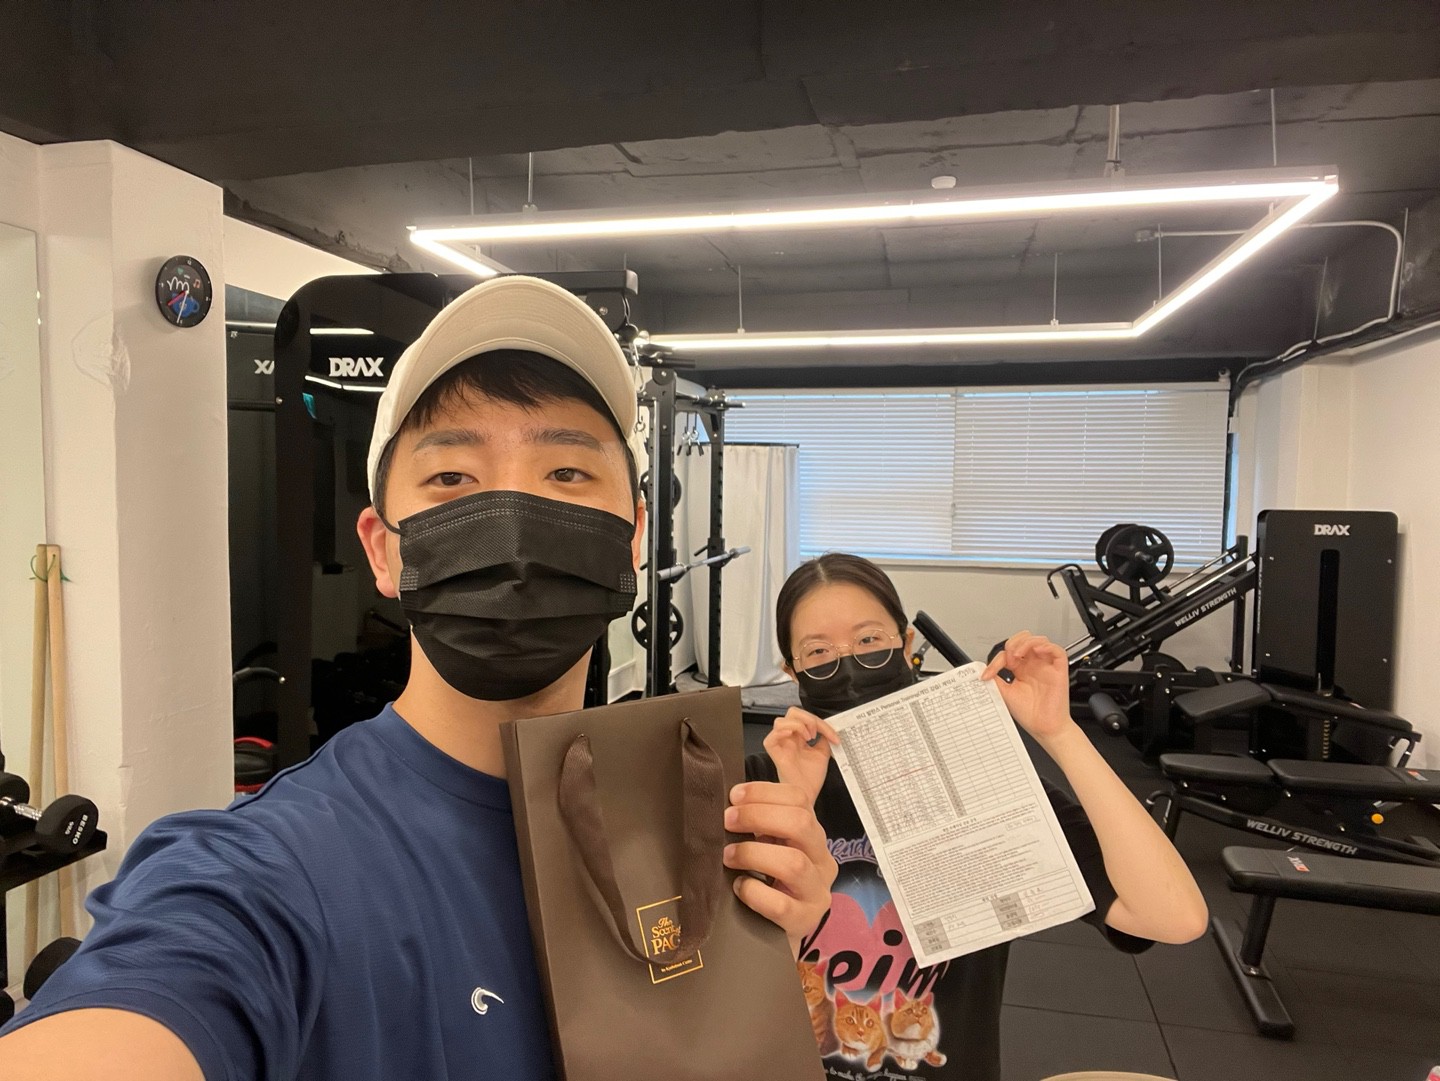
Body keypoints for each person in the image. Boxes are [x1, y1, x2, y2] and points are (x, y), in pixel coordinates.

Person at [0, 276, 837, 1081]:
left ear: (634, 535)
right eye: (452, 479)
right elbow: (153, 998)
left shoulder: (689, 814)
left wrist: (753, 956)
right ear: (382, 549)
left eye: (566, 473)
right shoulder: (269, 871)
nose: (513, 522)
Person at [750, 553, 1208, 1081]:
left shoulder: (978, 779)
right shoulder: (760, 783)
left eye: (869, 640)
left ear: (906, 643)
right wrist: (795, 805)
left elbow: (1172, 917)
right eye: (818, 651)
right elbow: (713, 979)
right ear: (791, 671)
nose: (849, 664)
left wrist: (1059, 733)